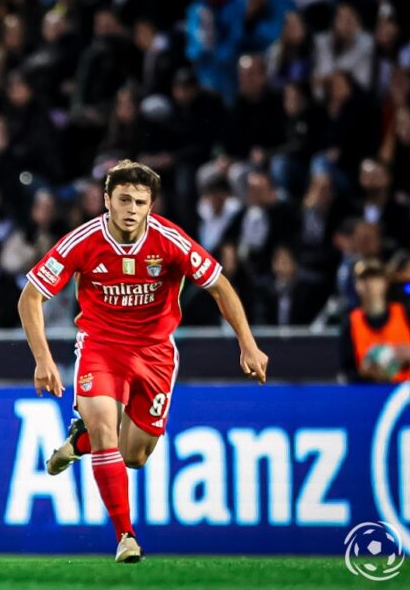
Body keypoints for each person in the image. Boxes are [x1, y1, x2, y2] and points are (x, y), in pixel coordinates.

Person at [17, 160, 268, 563]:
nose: (132, 208)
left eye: (140, 201)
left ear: (151, 205)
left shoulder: (170, 240)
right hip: (100, 346)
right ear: (107, 201)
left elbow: (220, 286)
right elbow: (30, 295)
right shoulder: (83, 241)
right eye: (124, 199)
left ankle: (76, 443)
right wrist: (43, 358)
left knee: (133, 456)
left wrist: (248, 344)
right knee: (105, 432)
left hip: (155, 354)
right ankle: (126, 537)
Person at [339, 259, 410, 383]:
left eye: (375, 278)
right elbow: (347, 372)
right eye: (364, 279)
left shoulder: (406, 314)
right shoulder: (351, 322)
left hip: (403, 392)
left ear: (385, 283)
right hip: (368, 392)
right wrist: (364, 373)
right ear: (357, 285)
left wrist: (409, 355)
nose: (370, 284)